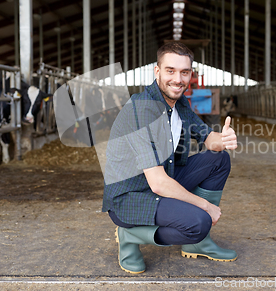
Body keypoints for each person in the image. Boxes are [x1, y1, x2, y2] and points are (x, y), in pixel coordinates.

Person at [102, 41, 238, 274]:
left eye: (184, 72)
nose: (178, 79)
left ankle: (199, 242)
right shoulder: (142, 110)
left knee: (219, 159)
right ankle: (129, 234)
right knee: (199, 222)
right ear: (157, 71)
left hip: (159, 183)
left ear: (190, 74)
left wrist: (224, 139)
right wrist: (206, 206)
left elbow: (206, 137)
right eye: (170, 70)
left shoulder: (179, 103)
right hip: (131, 196)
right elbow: (158, 183)